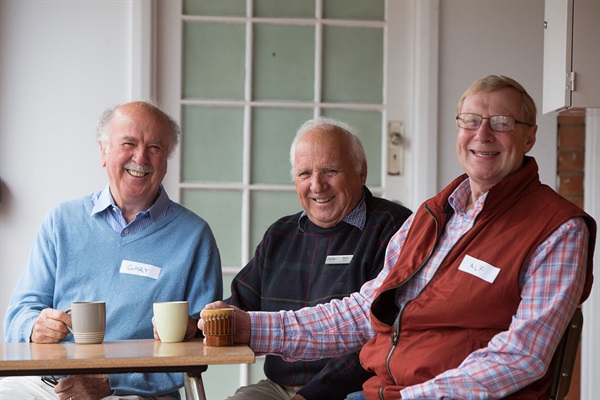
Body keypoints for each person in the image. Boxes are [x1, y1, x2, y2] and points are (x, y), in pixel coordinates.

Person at [199, 75, 596, 399]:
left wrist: (412, 398)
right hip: (382, 391)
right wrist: (250, 327)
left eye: (502, 123)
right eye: (471, 121)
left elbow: (521, 357)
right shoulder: (433, 215)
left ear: (529, 137)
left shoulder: (558, 228)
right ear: (458, 130)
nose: (483, 134)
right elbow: (361, 312)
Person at [158, 117, 412, 400]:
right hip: (278, 388)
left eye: (330, 170)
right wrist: (194, 326)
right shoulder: (282, 233)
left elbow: (382, 336)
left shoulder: (395, 227)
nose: (317, 185)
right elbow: (240, 307)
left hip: (355, 388)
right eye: (304, 174)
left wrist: (313, 394)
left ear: (361, 172)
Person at [2, 101, 223, 400]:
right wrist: (33, 328)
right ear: (104, 152)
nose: (141, 157)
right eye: (128, 143)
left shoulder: (194, 237)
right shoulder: (61, 222)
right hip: (46, 385)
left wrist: (110, 382)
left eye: (155, 148)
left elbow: (201, 346)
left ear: (167, 158)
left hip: (137, 392)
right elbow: (18, 314)